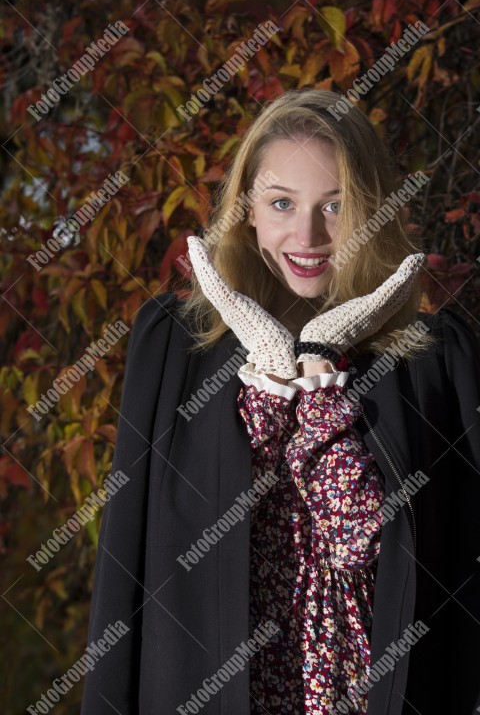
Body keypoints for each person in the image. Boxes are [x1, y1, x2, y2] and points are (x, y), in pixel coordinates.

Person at [81, 89, 480, 715]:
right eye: (281, 203)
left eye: (337, 205)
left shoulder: (433, 361)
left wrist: (323, 365)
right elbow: (126, 557)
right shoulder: (173, 346)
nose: (308, 234)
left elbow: (450, 573)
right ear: (246, 211)